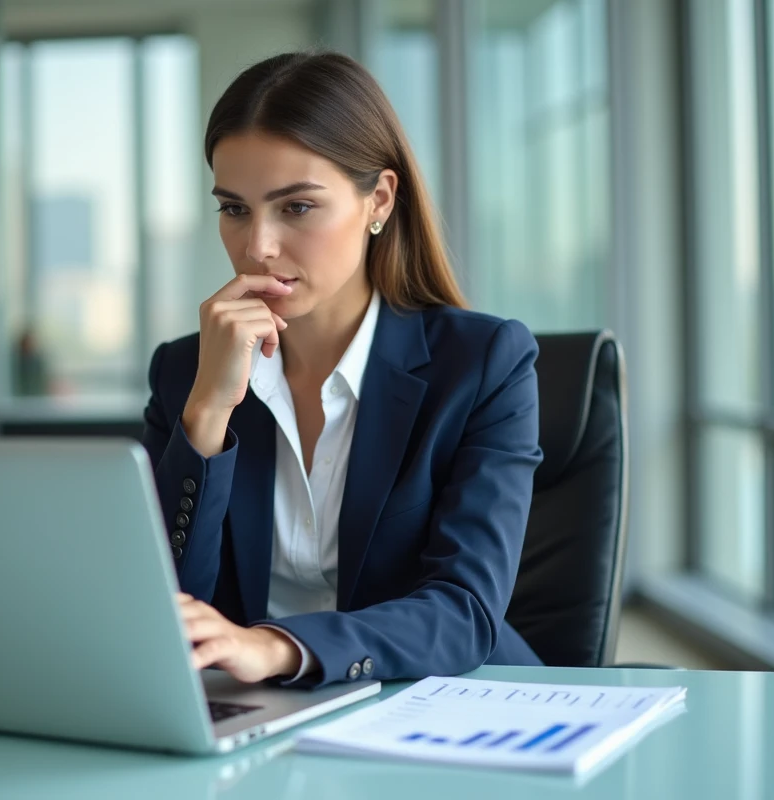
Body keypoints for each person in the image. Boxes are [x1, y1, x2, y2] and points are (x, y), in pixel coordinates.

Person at [141, 52, 543, 689]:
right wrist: (207, 415)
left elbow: (463, 613)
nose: (257, 247)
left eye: (296, 207)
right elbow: (163, 608)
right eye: (235, 209)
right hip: (258, 714)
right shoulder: (183, 372)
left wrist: (278, 647)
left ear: (378, 200)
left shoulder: (485, 364)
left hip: (445, 704)